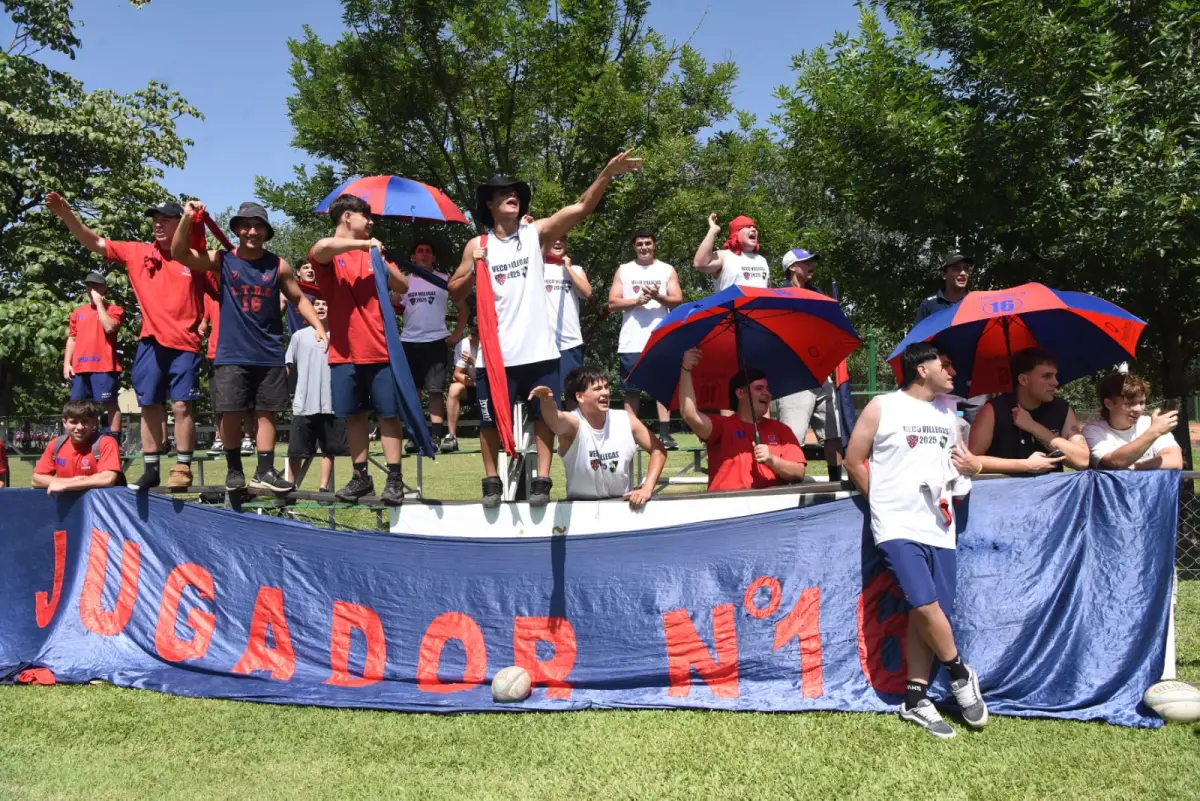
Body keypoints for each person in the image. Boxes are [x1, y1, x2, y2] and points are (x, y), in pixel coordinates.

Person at [448, 148, 643, 507]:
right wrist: (474, 267)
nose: (514, 197)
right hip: (496, 354)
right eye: (505, 193)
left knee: (543, 417)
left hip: (539, 350)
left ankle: (542, 480)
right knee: (489, 420)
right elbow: (454, 290)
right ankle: (492, 481)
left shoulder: (535, 235)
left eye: (518, 194)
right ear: (489, 203)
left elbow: (581, 208)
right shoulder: (478, 245)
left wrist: (606, 173)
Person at [844, 343, 988, 739]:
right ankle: (960, 672)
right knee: (923, 601)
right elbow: (853, 458)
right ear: (921, 370)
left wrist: (967, 469)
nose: (952, 372)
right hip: (895, 524)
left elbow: (963, 461)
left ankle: (915, 697)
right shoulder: (882, 406)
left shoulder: (949, 411)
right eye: (945, 365)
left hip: (940, 523)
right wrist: (882, 501)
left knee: (927, 610)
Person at [47, 193, 206, 491]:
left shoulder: (194, 256)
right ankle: (151, 468)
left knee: (183, 405)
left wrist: (190, 217)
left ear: (179, 224)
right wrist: (67, 213)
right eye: (155, 221)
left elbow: (200, 241)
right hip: (150, 342)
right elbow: (94, 242)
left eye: (166, 221)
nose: (158, 226)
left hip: (185, 343)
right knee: (149, 404)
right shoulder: (137, 252)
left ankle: (183, 465)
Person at [171, 200, 327, 493]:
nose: (252, 231)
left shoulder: (278, 264)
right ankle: (234, 469)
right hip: (232, 352)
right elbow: (179, 253)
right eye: (246, 225)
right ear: (238, 230)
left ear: (266, 232)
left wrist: (318, 326)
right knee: (231, 412)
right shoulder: (222, 259)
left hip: (268, 352)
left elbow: (300, 299)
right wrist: (187, 218)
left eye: (258, 226)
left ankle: (265, 471)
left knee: (267, 412)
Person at [309, 194, 411, 504]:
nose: (371, 221)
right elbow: (321, 249)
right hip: (344, 352)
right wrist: (364, 246)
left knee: (388, 415)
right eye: (365, 215)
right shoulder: (333, 252)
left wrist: (380, 258)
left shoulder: (374, 252)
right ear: (346, 217)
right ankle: (360, 476)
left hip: (380, 349)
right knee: (353, 417)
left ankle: (394, 478)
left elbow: (403, 285)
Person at [530, 366, 667, 509]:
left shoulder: (626, 419)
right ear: (580, 397)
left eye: (606, 387)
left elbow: (659, 450)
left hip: (623, 508)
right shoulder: (574, 423)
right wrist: (547, 402)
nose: (605, 393)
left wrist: (647, 488)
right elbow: (555, 420)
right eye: (597, 389)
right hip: (580, 509)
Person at [677, 348, 807, 490]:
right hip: (727, 507)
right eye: (759, 388)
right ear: (740, 393)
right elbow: (690, 414)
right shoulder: (723, 426)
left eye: (767, 388)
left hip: (771, 507)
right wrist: (686, 370)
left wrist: (772, 460)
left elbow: (799, 473)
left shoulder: (781, 429)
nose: (767, 393)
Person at [608, 230, 683, 450]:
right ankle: (630, 433)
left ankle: (665, 434)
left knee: (662, 388)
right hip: (631, 341)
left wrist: (658, 296)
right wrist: (636, 300)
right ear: (634, 247)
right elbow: (612, 303)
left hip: (659, 338)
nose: (644, 247)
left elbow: (677, 299)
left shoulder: (666, 269)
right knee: (631, 391)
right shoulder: (624, 270)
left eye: (647, 243)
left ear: (654, 245)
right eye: (639, 243)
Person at [775, 248, 843, 480]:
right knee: (793, 437)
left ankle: (836, 481)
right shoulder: (778, 297)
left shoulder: (820, 294)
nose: (811, 265)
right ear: (792, 267)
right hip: (792, 376)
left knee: (834, 434)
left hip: (822, 372)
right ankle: (790, 486)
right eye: (805, 262)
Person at [392, 240, 465, 454]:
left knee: (435, 391)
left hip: (436, 341)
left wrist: (458, 333)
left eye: (428, 251)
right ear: (412, 257)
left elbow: (463, 308)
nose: (424, 255)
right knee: (411, 391)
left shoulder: (443, 279)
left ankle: (434, 436)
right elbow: (393, 305)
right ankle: (415, 435)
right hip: (409, 341)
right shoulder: (404, 281)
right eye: (419, 251)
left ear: (433, 257)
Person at [968, 347, 1089, 475]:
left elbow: (1081, 461)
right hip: (1005, 491)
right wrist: (1025, 466)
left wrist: (1033, 427)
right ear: (1023, 380)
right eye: (1047, 376)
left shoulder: (1062, 408)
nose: (1055, 382)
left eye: (1055, 375)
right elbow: (971, 461)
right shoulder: (993, 410)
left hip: (1053, 491)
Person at [286, 297, 347, 492]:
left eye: (325, 303)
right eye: (317, 304)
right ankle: (289, 486)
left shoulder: (341, 335)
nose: (321, 307)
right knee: (296, 450)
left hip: (332, 403)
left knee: (329, 450)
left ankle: (323, 487)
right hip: (304, 403)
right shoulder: (299, 336)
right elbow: (288, 367)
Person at [64, 271, 125, 438]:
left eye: (95, 285)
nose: (90, 289)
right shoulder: (78, 312)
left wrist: (99, 304)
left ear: (104, 288)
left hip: (104, 366)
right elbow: (72, 338)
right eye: (88, 285)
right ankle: (87, 437)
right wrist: (67, 364)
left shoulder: (114, 309)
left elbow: (110, 327)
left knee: (109, 402)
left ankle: (114, 439)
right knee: (78, 406)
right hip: (80, 367)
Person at [1083, 373, 1183, 470]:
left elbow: (1175, 460)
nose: (1138, 409)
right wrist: (1154, 432)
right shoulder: (1093, 431)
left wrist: (1134, 467)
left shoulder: (1150, 424)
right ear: (1109, 404)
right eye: (1130, 403)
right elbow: (1115, 461)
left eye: (1142, 402)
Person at [32, 400, 124, 494]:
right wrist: (72, 482)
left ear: (94, 422)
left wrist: (68, 485)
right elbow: (37, 479)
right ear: (64, 422)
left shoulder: (106, 442)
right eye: (74, 422)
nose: (79, 427)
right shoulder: (56, 444)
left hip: (100, 506)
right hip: (68, 505)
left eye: (85, 422)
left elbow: (108, 478)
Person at [542, 234, 591, 379]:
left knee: (572, 391)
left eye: (562, 239)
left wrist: (568, 268)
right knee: (545, 392)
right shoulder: (537, 267)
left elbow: (587, 293)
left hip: (570, 342)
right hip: (543, 343)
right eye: (554, 239)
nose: (558, 242)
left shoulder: (576, 269)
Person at [693, 213, 770, 291]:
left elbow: (768, 290)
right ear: (736, 233)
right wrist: (713, 230)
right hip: (732, 303)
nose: (753, 230)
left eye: (754, 228)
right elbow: (700, 265)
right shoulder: (724, 256)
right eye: (747, 227)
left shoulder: (762, 260)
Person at [443, 303, 480, 453]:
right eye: (472, 331)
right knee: (454, 388)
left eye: (477, 332)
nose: (474, 335)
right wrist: (474, 383)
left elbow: (494, 373)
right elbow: (456, 374)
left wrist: (474, 361)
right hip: (474, 386)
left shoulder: (491, 343)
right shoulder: (463, 344)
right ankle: (451, 436)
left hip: (490, 386)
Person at [915, 253, 972, 322]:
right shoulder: (929, 305)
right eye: (956, 269)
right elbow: (919, 332)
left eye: (966, 269)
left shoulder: (976, 301)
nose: (963, 273)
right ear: (944, 275)